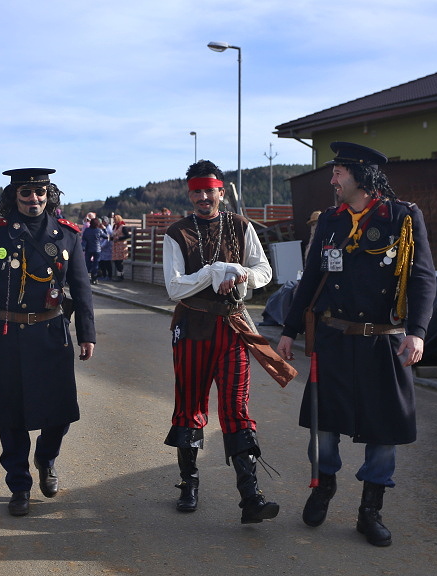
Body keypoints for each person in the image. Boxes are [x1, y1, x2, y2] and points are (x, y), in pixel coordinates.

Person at [275, 142, 436, 547]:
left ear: (360, 175)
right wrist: (288, 330)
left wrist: (417, 330)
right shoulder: (331, 220)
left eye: (338, 172)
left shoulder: (402, 217)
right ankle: (323, 486)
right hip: (335, 338)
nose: (332, 180)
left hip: (384, 342)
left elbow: (422, 278)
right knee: (324, 425)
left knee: (383, 430)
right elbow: (311, 278)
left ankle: (370, 510)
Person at [0, 168, 95, 517]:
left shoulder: (67, 234)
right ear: (15, 196)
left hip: (52, 334)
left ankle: (46, 457)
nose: (33, 199)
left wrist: (87, 333)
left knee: (60, 411)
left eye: (40, 192)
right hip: (6, 336)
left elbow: (81, 287)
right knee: (11, 415)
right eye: (26, 193)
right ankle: (19, 486)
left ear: (49, 195)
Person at [162, 159, 280, 524]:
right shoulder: (177, 232)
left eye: (209, 191)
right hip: (192, 328)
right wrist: (213, 272)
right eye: (196, 192)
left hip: (232, 327)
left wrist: (240, 271)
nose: (203, 197)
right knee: (190, 406)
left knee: (236, 407)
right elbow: (174, 287)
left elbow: (264, 271)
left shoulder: (241, 225)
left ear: (221, 192)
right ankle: (189, 483)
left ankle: (251, 496)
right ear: (190, 195)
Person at [81, 218, 107, 284]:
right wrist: (104, 229)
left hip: (88, 248)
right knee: (96, 264)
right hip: (97, 249)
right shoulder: (99, 230)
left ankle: (86, 277)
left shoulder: (87, 230)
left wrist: (83, 247)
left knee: (87, 263)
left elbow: (84, 239)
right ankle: (94, 278)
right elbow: (106, 236)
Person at [110, 214, 130, 282]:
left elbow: (128, 236)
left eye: (115, 220)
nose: (114, 221)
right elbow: (113, 235)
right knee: (116, 261)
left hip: (121, 246)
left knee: (119, 262)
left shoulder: (123, 227)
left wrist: (119, 238)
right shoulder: (114, 227)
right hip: (115, 246)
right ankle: (119, 275)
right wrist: (111, 238)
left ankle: (121, 276)